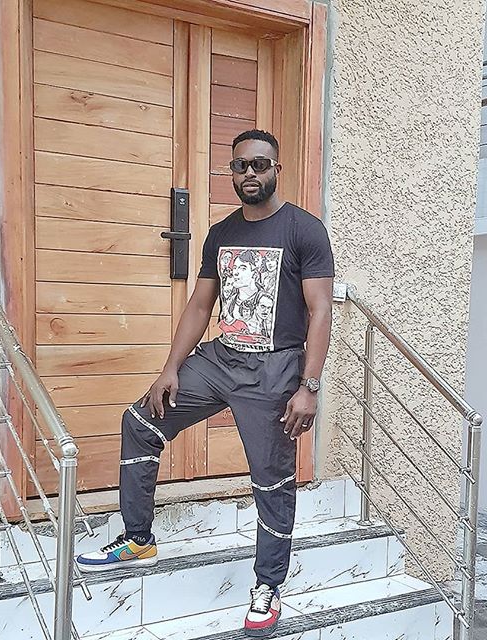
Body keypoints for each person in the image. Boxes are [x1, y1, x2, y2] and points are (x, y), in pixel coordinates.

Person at [76, 129, 334, 637]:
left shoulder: (304, 230)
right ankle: (138, 539)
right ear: (231, 172)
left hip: (275, 369)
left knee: (272, 479)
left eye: (259, 164)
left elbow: (320, 309)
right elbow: (199, 305)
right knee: (140, 422)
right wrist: (170, 367)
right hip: (220, 358)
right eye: (240, 166)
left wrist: (309, 386)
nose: (250, 173)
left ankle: (268, 584)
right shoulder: (220, 233)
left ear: (276, 169)